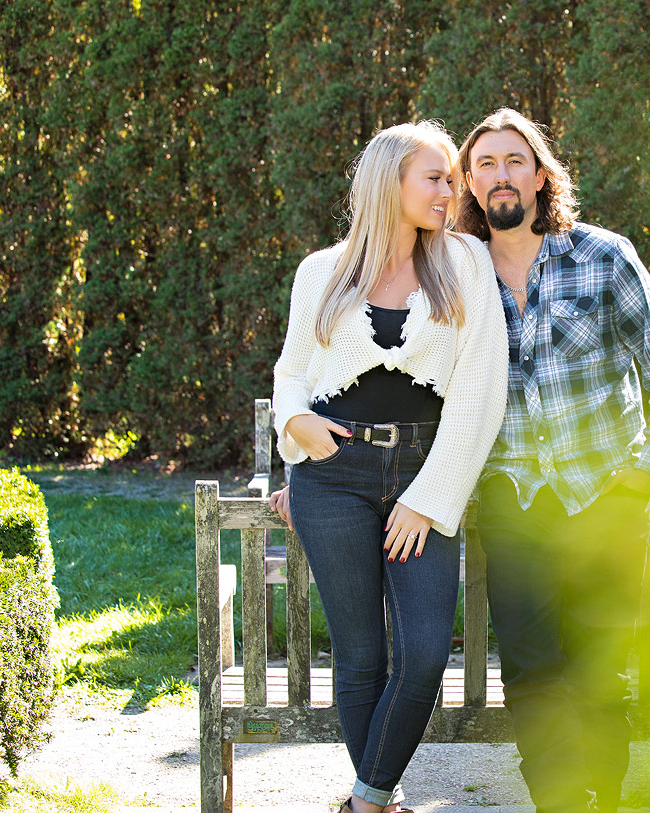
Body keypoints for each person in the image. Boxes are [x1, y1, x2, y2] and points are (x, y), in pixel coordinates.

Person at [457, 108, 650, 813]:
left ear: (539, 175)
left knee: (599, 671)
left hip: (606, 500)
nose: (501, 175)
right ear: (471, 183)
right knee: (531, 671)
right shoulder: (457, 276)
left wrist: (638, 480)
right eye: (486, 164)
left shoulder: (605, 256)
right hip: (513, 505)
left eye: (514, 160)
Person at [267, 120, 508, 813]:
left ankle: (364, 802)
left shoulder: (463, 262)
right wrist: (296, 425)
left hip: (422, 475)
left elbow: (481, 391)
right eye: (434, 177)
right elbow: (292, 372)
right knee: (360, 655)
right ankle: (381, 795)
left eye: (449, 179)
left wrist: (428, 498)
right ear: (389, 181)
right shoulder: (321, 270)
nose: (449, 191)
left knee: (427, 652)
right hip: (332, 476)